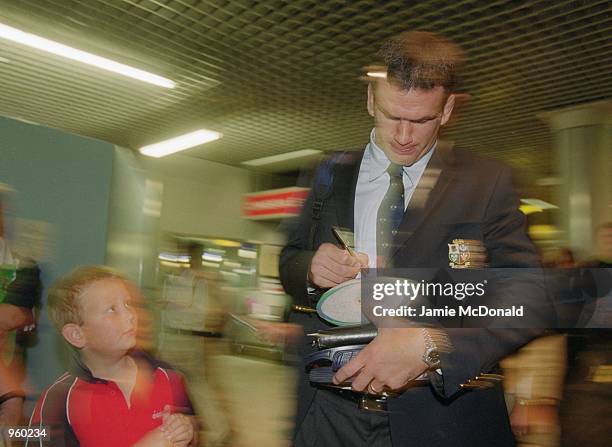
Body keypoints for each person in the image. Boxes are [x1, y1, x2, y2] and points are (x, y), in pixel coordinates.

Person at [280, 31, 549, 447]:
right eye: (391, 115)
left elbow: (529, 296)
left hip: (439, 419)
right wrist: (310, 268)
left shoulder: (486, 181)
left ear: (447, 110)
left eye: (422, 120)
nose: (404, 135)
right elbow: (289, 260)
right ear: (371, 100)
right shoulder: (327, 173)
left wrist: (433, 345)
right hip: (329, 409)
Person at [27, 265, 197, 447]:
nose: (130, 315)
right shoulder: (57, 400)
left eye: (127, 304)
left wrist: (188, 432)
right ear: (77, 335)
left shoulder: (170, 377)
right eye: (111, 309)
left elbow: (194, 429)